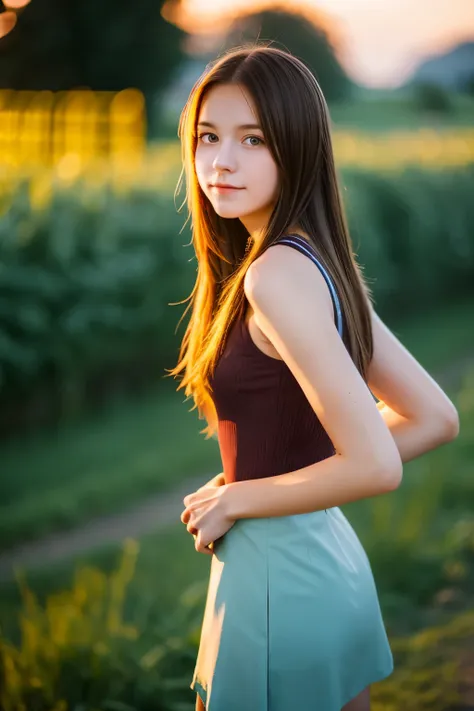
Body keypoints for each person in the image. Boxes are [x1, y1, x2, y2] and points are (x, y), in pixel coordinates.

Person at [166, 44, 460, 711]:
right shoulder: (317, 262)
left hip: (279, 573)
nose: (221, 160)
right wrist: (247, 481)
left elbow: (377, 462)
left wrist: (239, 499)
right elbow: (435, 416)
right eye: (209, 136)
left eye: (254, 139)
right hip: (319, 557)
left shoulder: (275, 274)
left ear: (297, 148)